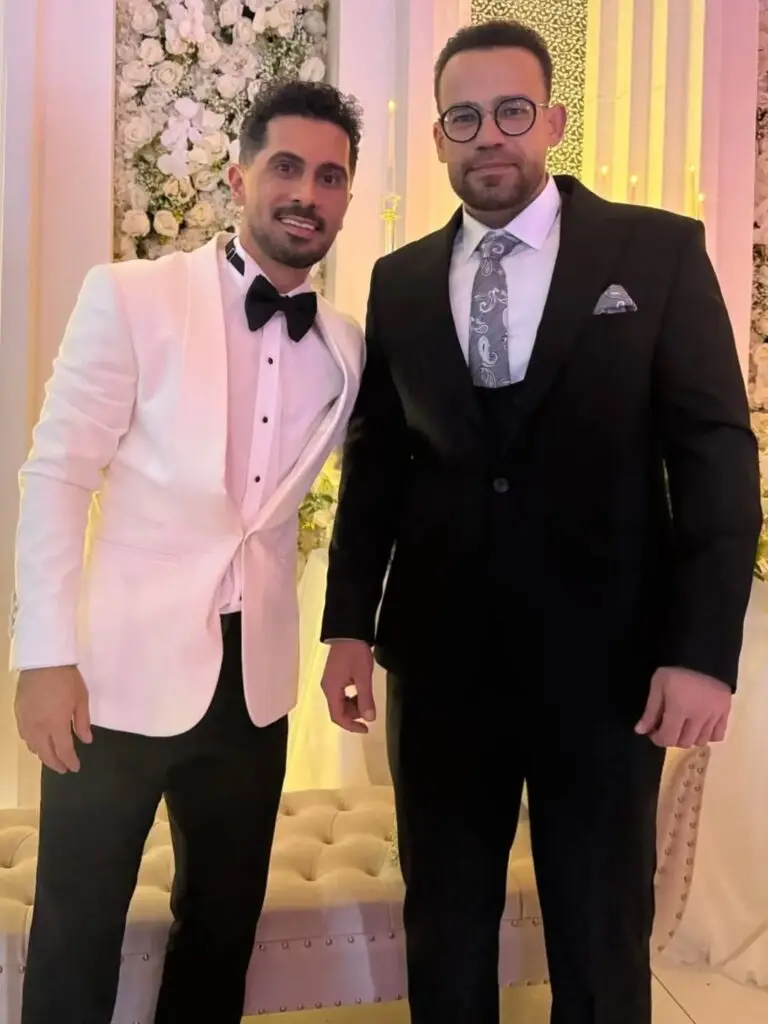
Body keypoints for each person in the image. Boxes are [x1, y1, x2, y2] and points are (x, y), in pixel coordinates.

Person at [320, 19, 762, 1024]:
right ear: (438, 137)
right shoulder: (398, 280)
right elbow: (377, 468)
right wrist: (348, 623)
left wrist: (702, 652)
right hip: (441, 665)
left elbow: (713, 455)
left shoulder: (656, 250)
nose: (489, 135)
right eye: (465, 117)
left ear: (553, 122)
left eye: (512, 111)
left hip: (610, 669)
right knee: (446, 927)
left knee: (601, 936)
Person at [11, 80, 364, 1024]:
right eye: (286, 167)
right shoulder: (132, 296)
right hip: (113, 678)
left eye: (330, 177)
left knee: (220, 926)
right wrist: (43, 657)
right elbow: (58, 473)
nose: (307, 192)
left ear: (345, 199)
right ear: (239, 177)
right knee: (78, 923)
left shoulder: (346, 346)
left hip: (255, 687)